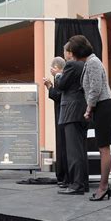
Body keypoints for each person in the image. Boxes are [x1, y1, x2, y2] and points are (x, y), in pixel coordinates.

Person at [68, 35, 111, 201]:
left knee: (104, 149)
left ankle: (103, 187)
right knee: (103, 148)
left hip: (103, 106)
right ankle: (104, 186)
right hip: (101, 107)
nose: (70, 54)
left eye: (71, 51)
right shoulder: (90, 62)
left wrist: (89, 109)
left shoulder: (93, 62)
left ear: (77, 51)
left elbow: (95, 89)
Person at [55, 43, 89, 195]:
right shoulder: (83, 65)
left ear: (69, 52)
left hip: (71, 112)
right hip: (80, 111)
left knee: (74, 152)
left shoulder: (71, 65)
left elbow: (61, 85)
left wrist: (57, 75)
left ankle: (76, 185)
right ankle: (82, 183)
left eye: (65, 51)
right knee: (80, 150)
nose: (64, 54)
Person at [43, 57, 69, 186]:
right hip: (65, 115)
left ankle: (64, 177)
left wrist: (49, 87)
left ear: (56, 68)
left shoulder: (61, 77)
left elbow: (59, 96)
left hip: (64, 116)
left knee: (63, 146)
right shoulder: (64, 77)